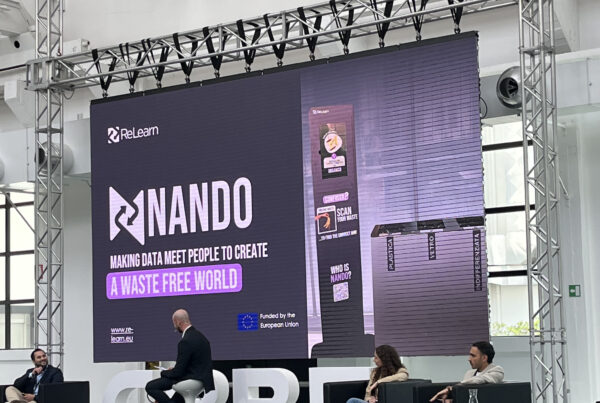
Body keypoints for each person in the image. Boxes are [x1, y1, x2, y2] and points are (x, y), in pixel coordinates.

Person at [145, 309, 215, 403]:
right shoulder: (202, 337)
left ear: (178, 322)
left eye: (174, 323)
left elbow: (178, 372)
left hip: (189, 380)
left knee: (150, 387)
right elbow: (194, 364)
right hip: (203, 381)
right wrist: (174, 370)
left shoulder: (185, 341)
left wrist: (165, 373)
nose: (174, 326)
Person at [429, 341, 504, 402]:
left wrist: (451, 388)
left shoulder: (497, 370)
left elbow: (479, 380)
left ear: (484, 358)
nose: (469, 359)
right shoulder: (469, 373)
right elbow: (464, 396)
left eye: (473, 356)